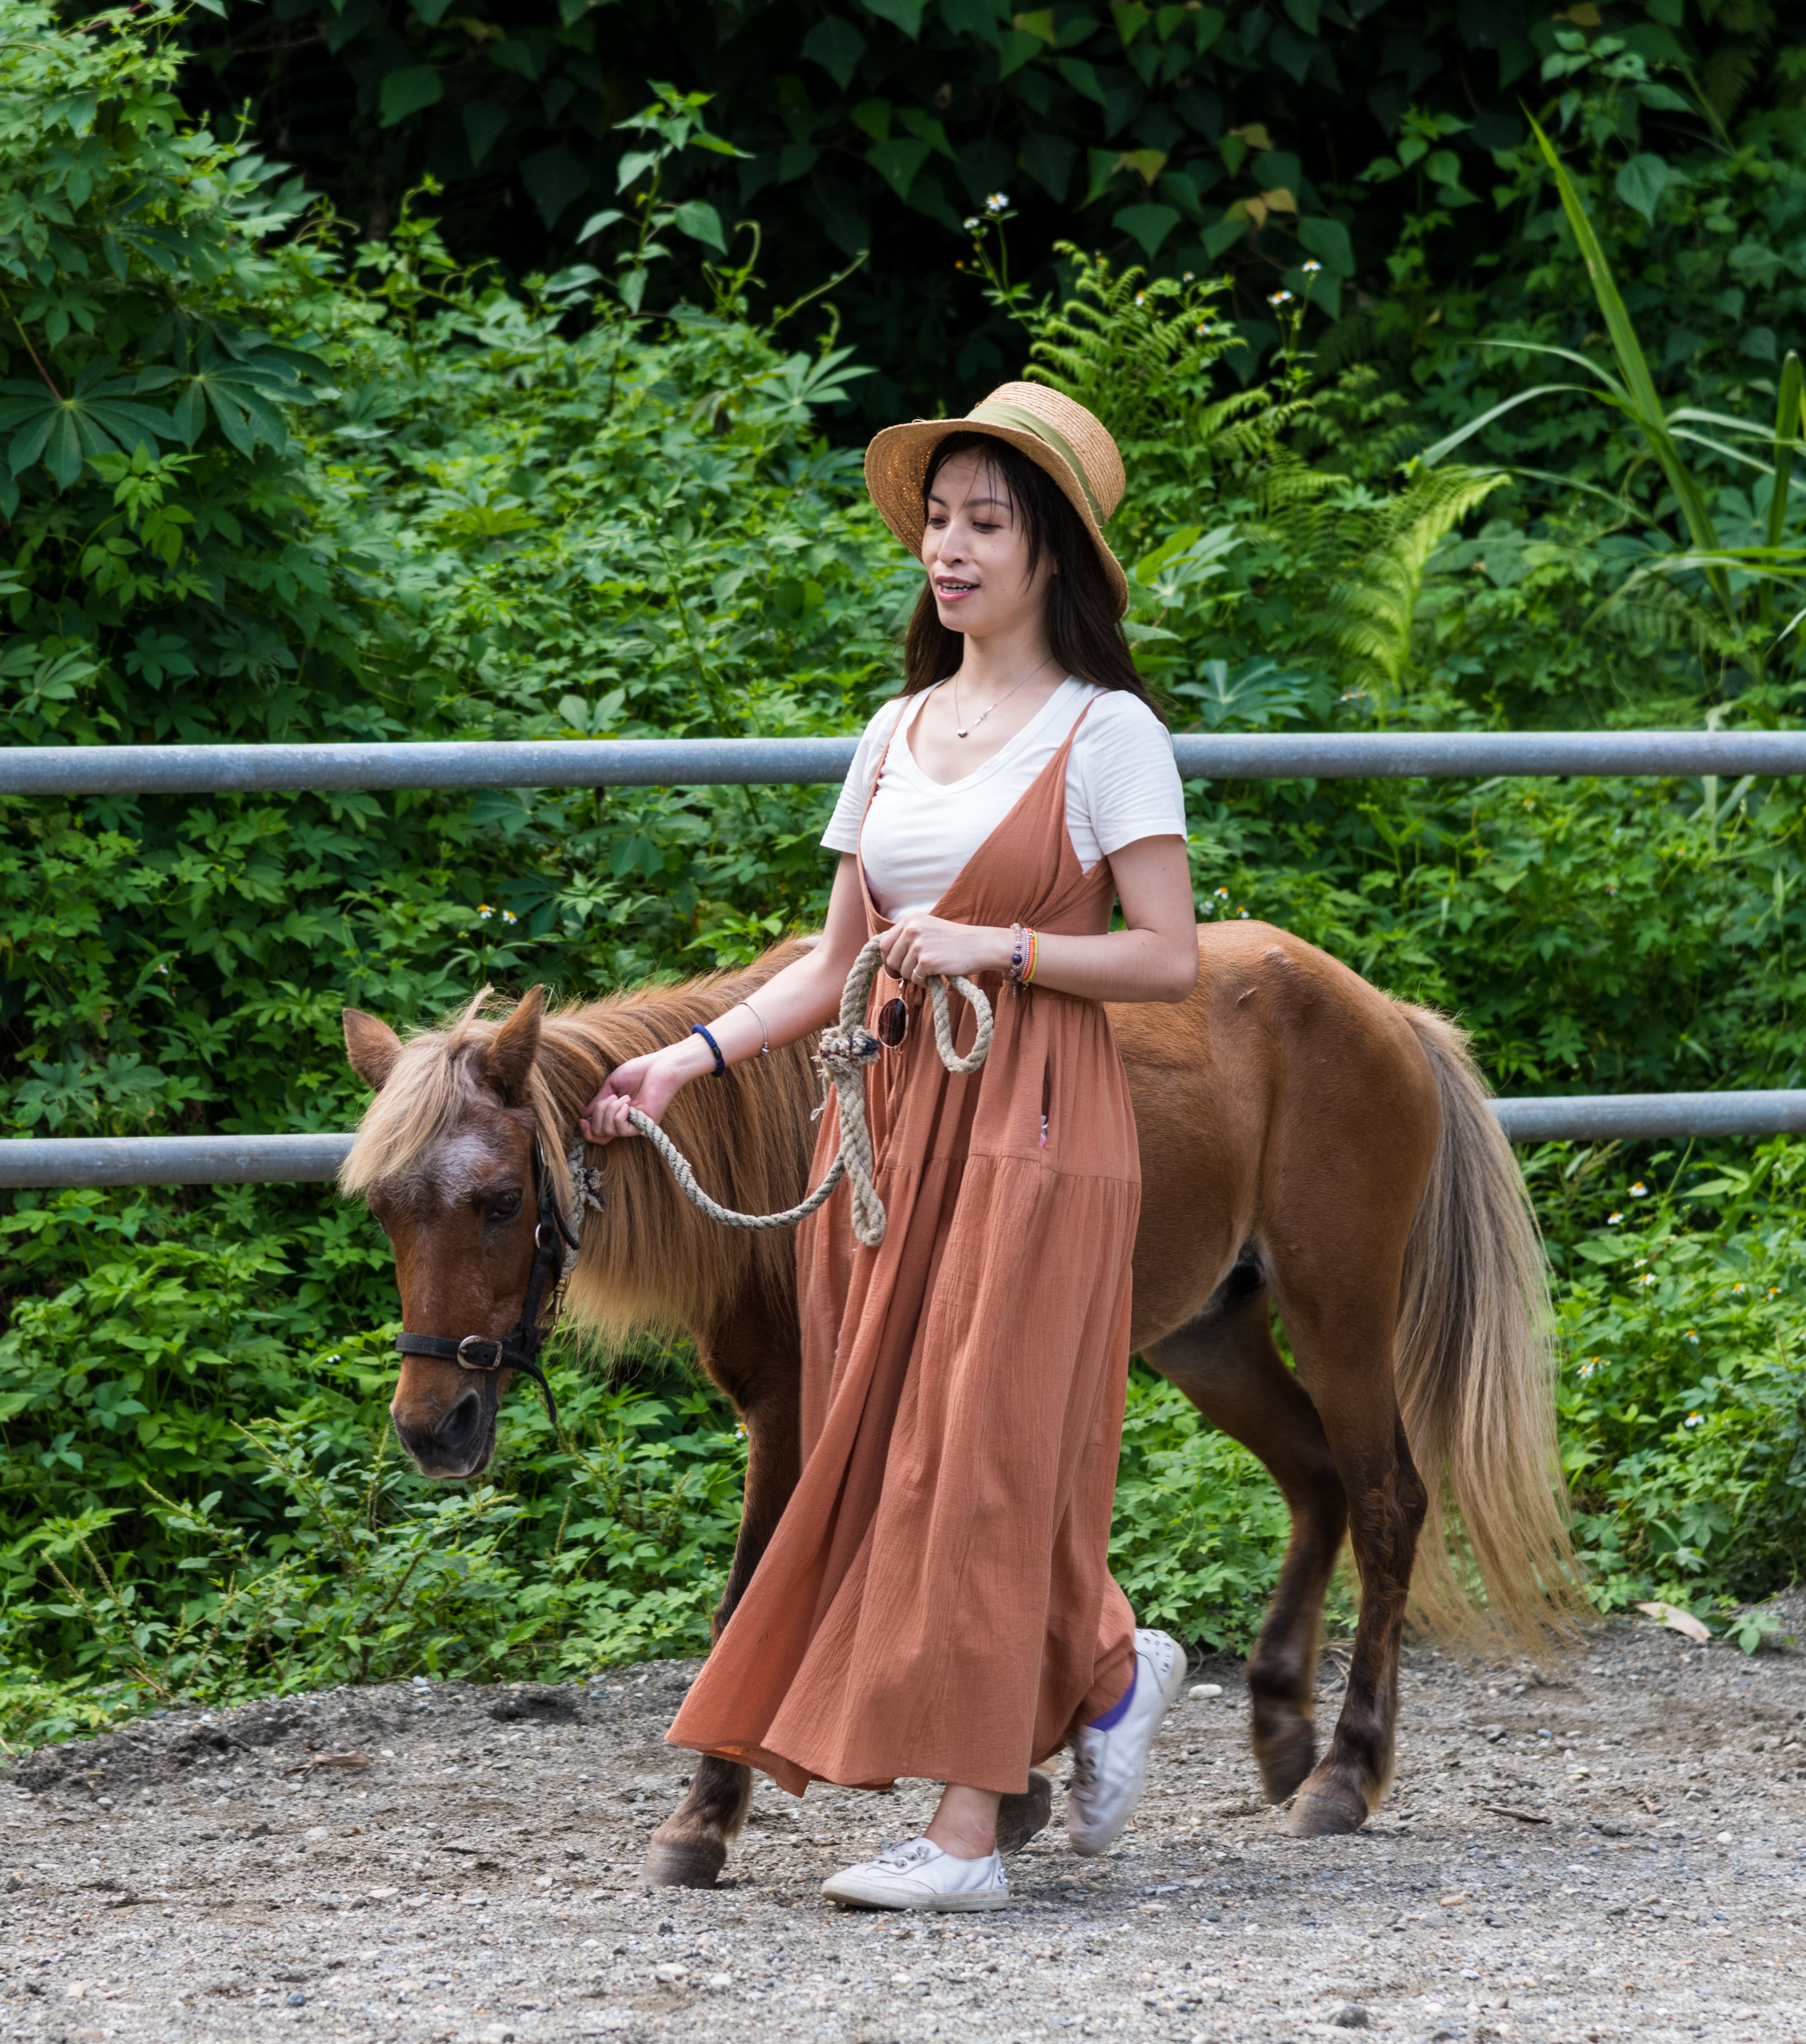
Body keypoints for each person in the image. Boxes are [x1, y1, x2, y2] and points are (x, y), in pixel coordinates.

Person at [578, 381, 1201, 1912]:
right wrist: (686, 1059)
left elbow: (1169, 957)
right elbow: (830, 958)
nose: (952, 547)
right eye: (940, 518)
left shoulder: (1108, 733)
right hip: (892, 1126)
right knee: (905, 1449)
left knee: (982, 1452)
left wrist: (1008, 948)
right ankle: (1113, 1670)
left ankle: (969, 1835)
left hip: (1039, 1119)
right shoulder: (894, 731)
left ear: (1052, 553)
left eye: (988, 521)